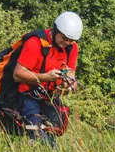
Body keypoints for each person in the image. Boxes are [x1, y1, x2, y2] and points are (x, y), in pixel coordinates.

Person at [9, 11, 82, 140]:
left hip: (50, 96)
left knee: (52, 132)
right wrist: (45, 77)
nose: (67, 42)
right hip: (28, 94)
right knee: (37, 134)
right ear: (56, 30)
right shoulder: (35, 43)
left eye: (71, 40)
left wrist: (68, 86)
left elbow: (71, 74)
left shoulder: (72, 48)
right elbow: (17, 74)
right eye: (64, 38)